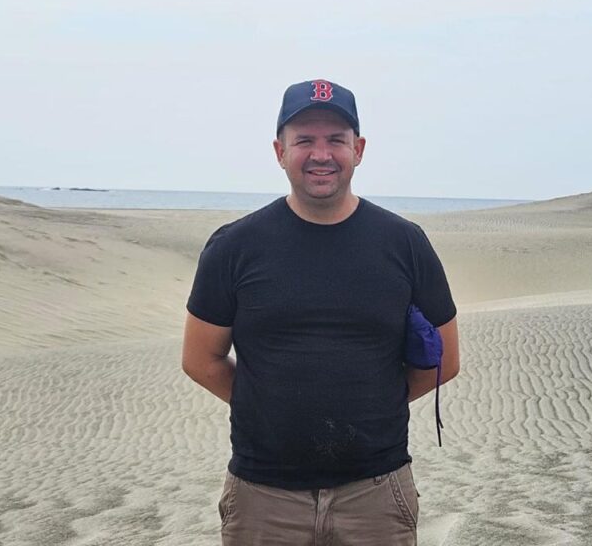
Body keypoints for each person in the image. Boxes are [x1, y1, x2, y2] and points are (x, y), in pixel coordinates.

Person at [182, 78, 459, 545]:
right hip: (262, 496)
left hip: (375, 493)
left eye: (336, 140)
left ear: (360, 148)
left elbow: (443, 363)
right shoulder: (235, 246)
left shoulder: (404, 244)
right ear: (279, 150)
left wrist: (370, 411)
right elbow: (200, 360)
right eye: (304, 140)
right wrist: (270, 407)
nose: (321, 154)